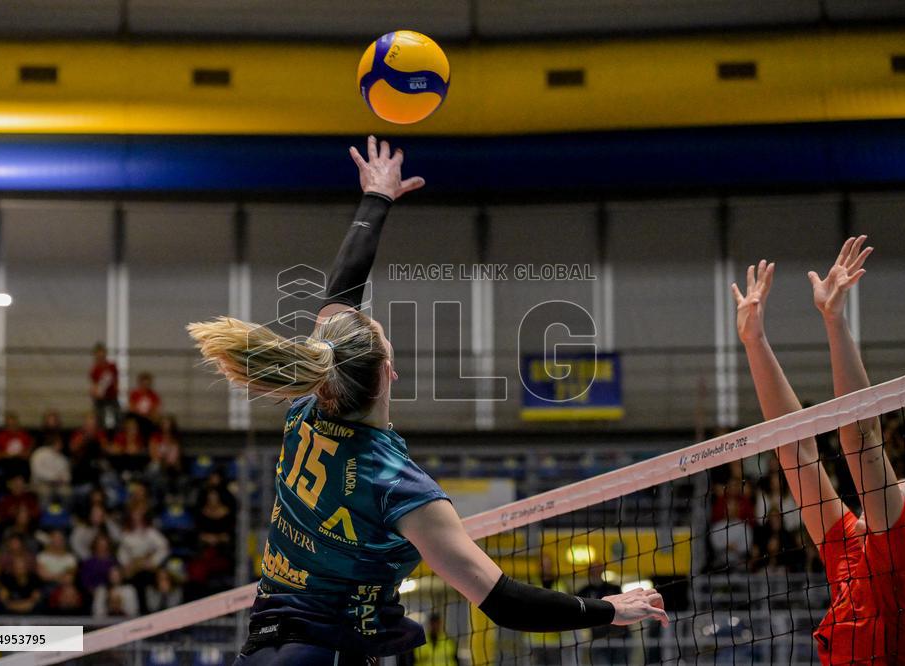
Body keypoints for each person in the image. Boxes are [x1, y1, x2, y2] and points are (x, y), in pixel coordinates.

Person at [188, 137, 667, 666]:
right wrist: (608, 608)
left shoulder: (305, 411)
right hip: (325, 655)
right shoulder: (399, 486)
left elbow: (342, 288)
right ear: (388, 374)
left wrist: (376, 197)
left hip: (262, 646)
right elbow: (504, 601)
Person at [731, 237, 905, 665]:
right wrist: (754, 341)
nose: (889, 491)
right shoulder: (854, 551)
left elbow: (862, 438)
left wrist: (836, 322)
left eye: (903, 494)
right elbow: (794, 448)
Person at [89, 342, 120, 431]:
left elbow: (116, 381)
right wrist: (96, 393)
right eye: (98, 354)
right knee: (99, 418)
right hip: (101, 399)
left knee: (117, 416)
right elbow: (94, 385)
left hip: (112, 396)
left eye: (102, 353)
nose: (100, 356)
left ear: (105, 353)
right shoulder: (94, 370)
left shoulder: (112, 366)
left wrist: (116, 391)